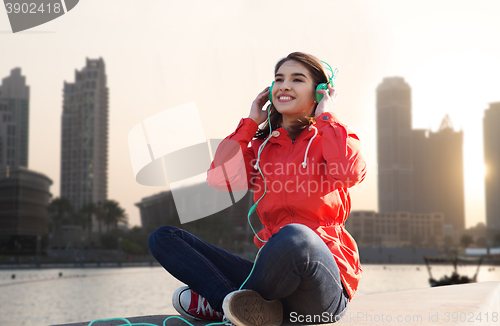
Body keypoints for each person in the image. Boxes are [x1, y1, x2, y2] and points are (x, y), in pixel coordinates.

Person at [147, 52, 366, 326]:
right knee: (163, 237)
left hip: (321, 288)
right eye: (279, 79)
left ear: (319, 93)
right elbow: (219, 179)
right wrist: (251, 123)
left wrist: (327, 116)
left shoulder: (330, 138)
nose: (284, 86)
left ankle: (224, 303)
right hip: (273, 281)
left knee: (296, 236)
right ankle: (231, 304)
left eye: (297, 79)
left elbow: (349, 171)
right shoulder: (262, 149)